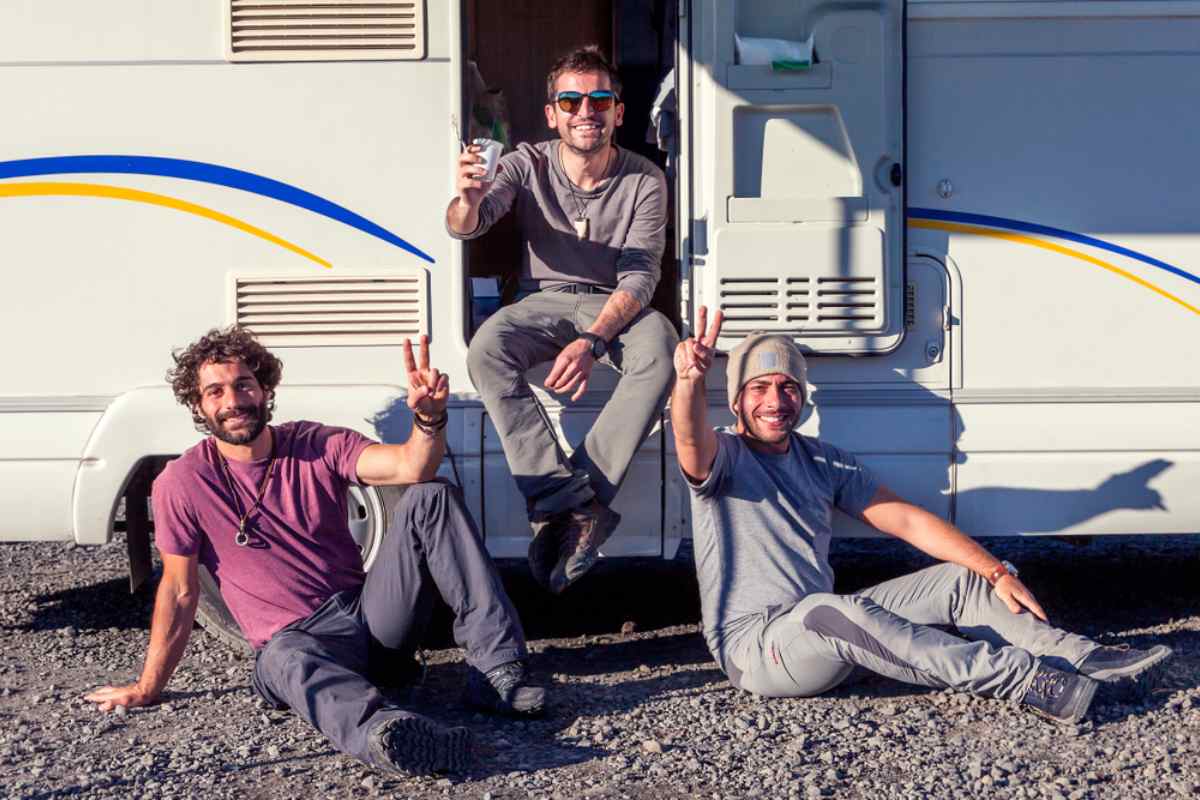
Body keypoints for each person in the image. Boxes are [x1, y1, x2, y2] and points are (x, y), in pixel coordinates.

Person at [669, 308, 1172, 723]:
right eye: (759, 389)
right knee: (834, 610)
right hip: (759, 651)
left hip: (828, 632)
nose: (775, 401)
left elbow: (907, 521)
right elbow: (690, 438)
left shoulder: (822, 461)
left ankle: (1081, 659)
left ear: (802, 396)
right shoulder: (725, 458)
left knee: (962, 579)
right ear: (736, 400)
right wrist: (689, 382)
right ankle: (1024, 680)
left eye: (787, 387)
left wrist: (994, 571)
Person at [85, 326, 545, 776]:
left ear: (264, 389)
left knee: (431, 495)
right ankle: (391, 736)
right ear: (198, 405)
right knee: (286, 659)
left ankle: (496, 673)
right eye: (215, 391)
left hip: (369, 620)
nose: (233, 401)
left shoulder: (315, 443)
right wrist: (148, 686)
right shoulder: (181, 482)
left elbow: (411, 465)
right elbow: (181, 591)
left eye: (244, 384)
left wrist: (429, 418)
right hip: (294, 641)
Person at [447, 45, 679, 594]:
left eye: (600, 99)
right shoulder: (525, 162)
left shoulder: (645, 178)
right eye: (571, 100)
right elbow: (466, 226)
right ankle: (568, 503)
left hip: (613, 304)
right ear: (552, 112)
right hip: (542, 300)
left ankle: (572, 507)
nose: (586, 111)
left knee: (660, 347)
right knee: (487, 348)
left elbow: (640, 278)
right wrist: (468, 199)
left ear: (619, 112)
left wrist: (594, 342)